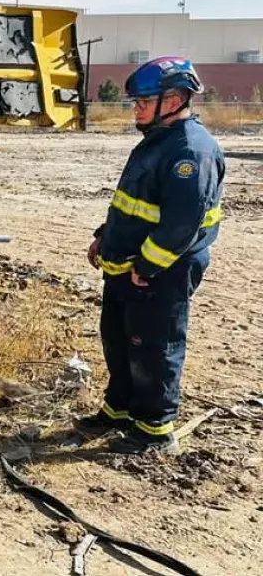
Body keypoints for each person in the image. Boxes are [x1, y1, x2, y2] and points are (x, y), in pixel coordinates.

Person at [80, 55, 225, 455]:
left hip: (161, 272)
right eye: (135, 102)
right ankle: (121, 409)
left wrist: (147, 266)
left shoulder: (190, 153)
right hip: (126, 268)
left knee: (154, 347)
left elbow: (182, 224)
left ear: (175, 99)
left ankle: (154, 427)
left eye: (143, 102)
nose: (136, 109)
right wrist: (104, 237)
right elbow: (132, 204)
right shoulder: (156, 142)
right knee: (120, 340)